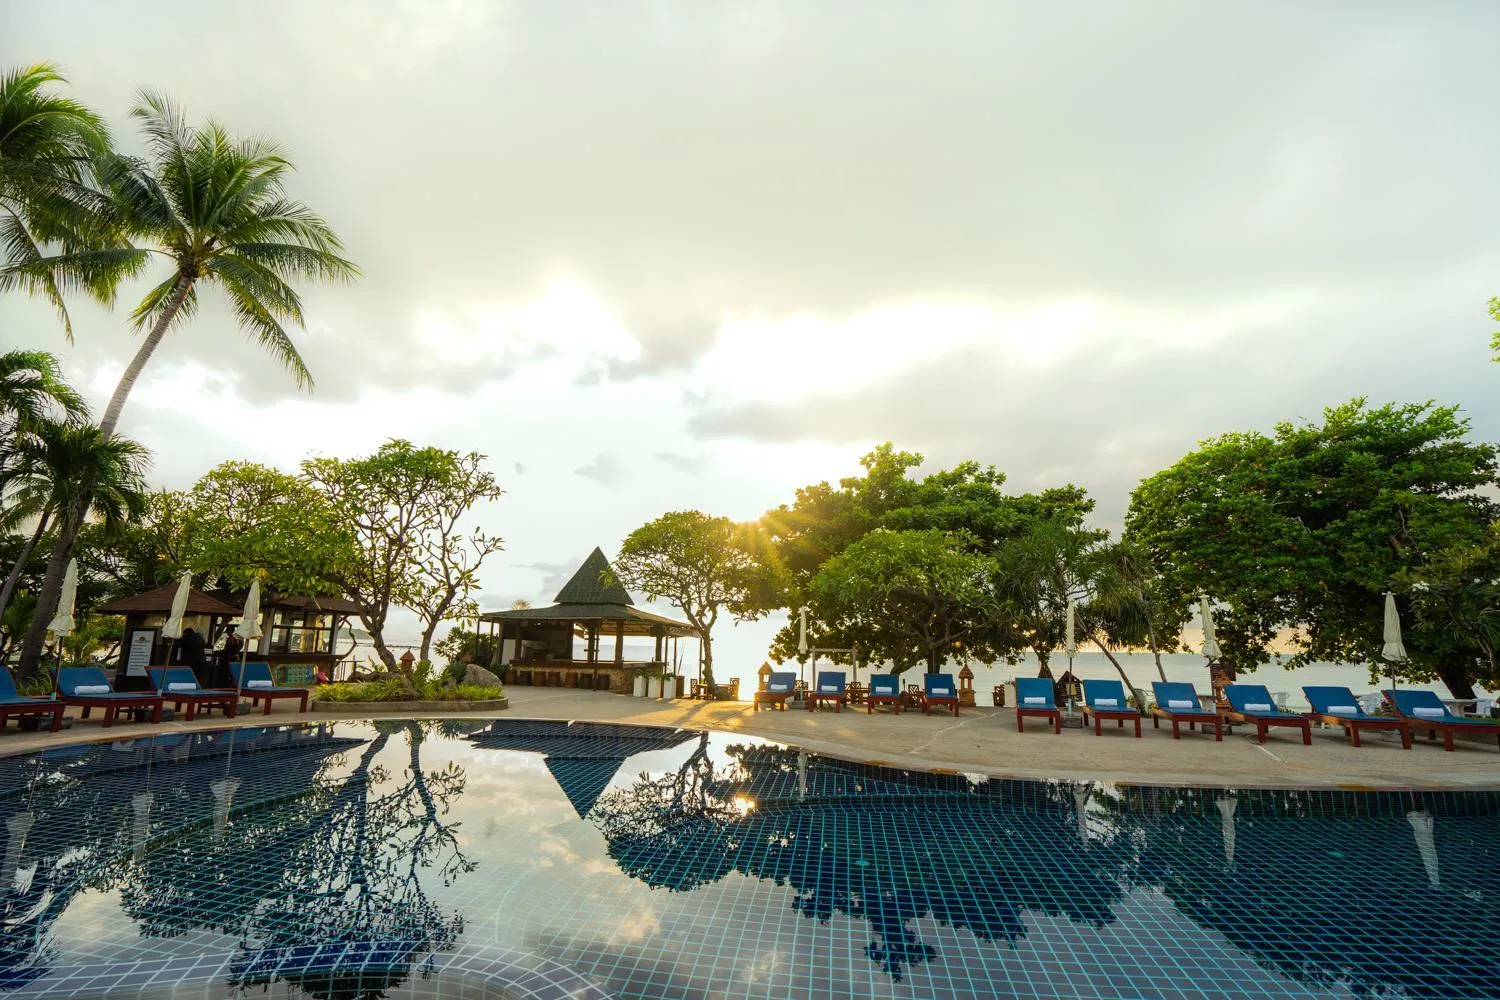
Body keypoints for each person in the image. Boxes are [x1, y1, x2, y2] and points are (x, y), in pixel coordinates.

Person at [215, 623, 244, 688]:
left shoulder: (232, 639)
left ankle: (226, 686)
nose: (227, 634)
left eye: (228, 632)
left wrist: (219, 653)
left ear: (230, 631)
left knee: (227, 673)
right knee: (232, 674)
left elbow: (228, 649)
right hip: (235, 658)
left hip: (229, 659)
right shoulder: (239, 639)